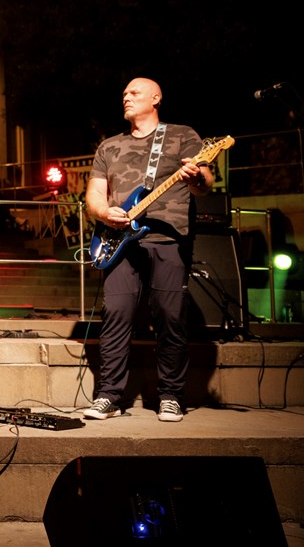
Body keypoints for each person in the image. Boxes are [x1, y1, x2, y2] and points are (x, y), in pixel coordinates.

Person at [83, 77, 213, 423]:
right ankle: (109, 396)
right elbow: (94, 194)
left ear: (156, 98)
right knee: (116, 315)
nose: (126, 97)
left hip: (168, 238)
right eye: (124, 93)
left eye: (134, 92)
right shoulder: (109, 146)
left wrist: (196, 177)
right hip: (120, 241)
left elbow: (204, 184)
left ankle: (171, 396)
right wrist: (103, 213)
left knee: (170, 317)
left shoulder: (182, 135)